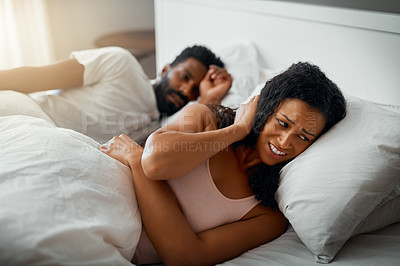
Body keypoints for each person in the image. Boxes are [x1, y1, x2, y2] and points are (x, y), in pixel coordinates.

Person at [101, 62, 347, 265]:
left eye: (303, 137)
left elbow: (186, 257)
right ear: (264, 109)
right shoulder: (204, 118)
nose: (284, 142)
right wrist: (237, 130)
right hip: (99, 193)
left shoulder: (267, 215)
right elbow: (154, 162)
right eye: (283, 123)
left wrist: (135, 159)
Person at [0, 45, 232, 143]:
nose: (184, 91)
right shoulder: (122, 64)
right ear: (165, 69)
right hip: (25, 114)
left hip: (52, 145)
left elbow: (169, 145)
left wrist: (206, 101)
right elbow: (35, 77)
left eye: (194, 91)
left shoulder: (166, 128)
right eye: (184, 77)